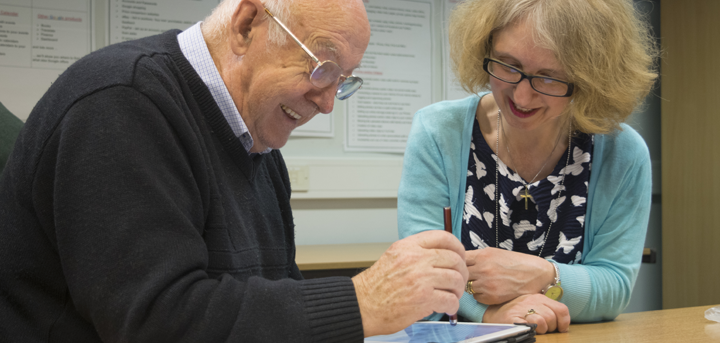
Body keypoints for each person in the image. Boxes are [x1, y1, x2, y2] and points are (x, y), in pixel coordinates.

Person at [0, 0, 469, 341]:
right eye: (322, 68)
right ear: (247, 25)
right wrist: (363, 300)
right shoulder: (122, 102)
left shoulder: (260, 148)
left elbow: (271, 300)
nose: (327, 103)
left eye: (342, 82)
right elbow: (155, 321)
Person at [398, 0, 658, 334]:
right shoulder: (437, 132)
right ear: (485, 48)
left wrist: (543, 274)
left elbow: (614, 287)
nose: (521, 97)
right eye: (508, 66)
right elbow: (424, 272)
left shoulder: (622, 154)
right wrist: (489, 315)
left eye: (550, 79)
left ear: (590, 78)